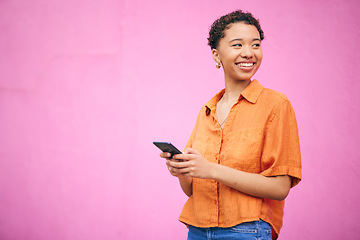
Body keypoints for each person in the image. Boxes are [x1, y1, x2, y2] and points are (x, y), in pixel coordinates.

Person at [160, 10, 301, 240]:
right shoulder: (207, 111)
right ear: (217, 55)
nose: (249, 53)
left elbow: (280, 188)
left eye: (255, 45)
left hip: (246, 231)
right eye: (238, 45)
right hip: (197, 230)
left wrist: (211, 170)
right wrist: (181, 172)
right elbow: (192, 189)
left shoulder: (276, 104)